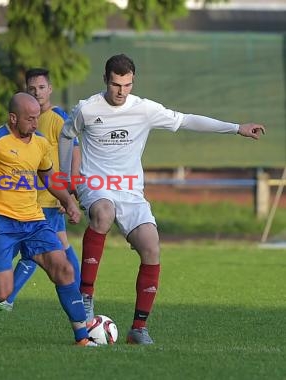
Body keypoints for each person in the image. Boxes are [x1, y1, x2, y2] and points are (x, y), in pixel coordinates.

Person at [58, 53, 266, 344]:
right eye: (116, 84)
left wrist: (235, 128)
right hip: (96, 184)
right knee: (103, 212)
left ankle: (138, 329)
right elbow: (66, 135)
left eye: (127, 85)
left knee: (152, 247)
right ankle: (86, 296)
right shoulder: (87, 109)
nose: (121, 91)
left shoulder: (144, 109)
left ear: (133, 82)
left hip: (131, 192)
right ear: (106, 79)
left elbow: (186, 120)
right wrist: (70, 178)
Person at [0, 92, 98, 347]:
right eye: (30, 119)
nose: (35, 123)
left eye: (37, 117)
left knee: (64, 269)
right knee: (1, 293)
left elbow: (49, 177)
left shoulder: (39, 142)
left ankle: (82, 338)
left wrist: (68, 201)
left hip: (34, 221)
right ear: (13, 118)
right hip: (0, 225)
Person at [0, 68, 81, 312]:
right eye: (32, 89)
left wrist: (69, 190)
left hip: (49, 197)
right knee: (55, 249)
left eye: (42, 88)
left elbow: (73, 150)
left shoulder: (57, 117)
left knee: (45, 250)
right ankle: (81, 294)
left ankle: (7, 296)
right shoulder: (24, 119)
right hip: (31, 198)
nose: (37, 93)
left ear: (50, 89)